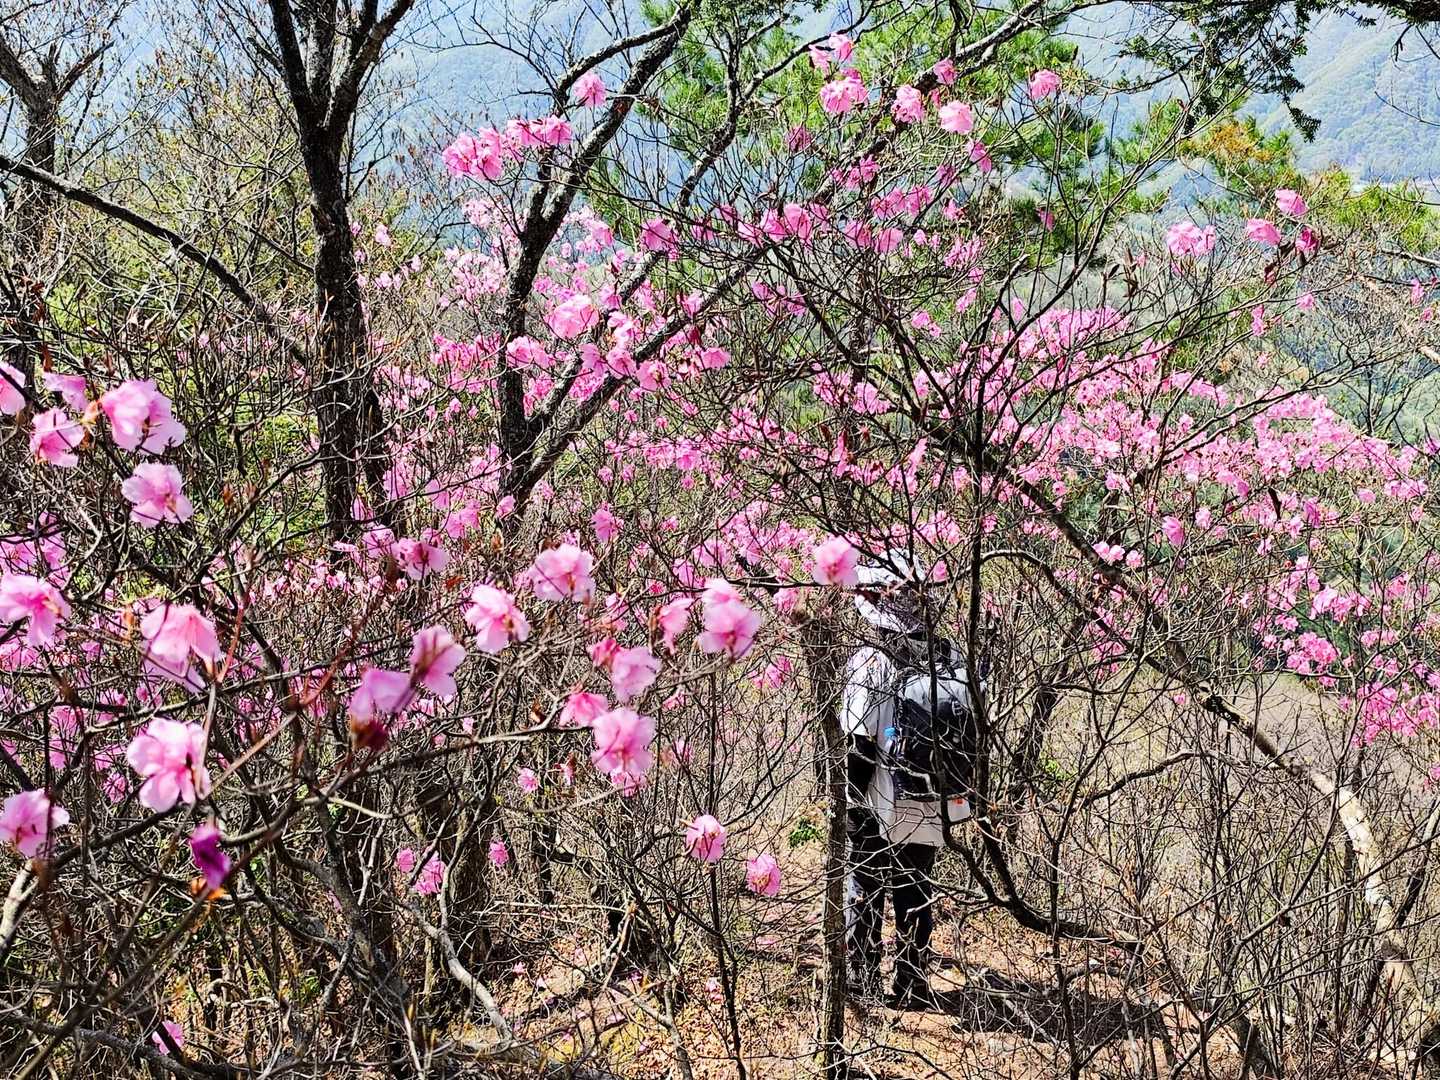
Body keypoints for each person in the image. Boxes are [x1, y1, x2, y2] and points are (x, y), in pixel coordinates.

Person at [842, 550, 975, 1008]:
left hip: (880, 794)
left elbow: (860, 743)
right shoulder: (951, 656)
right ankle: (912, 983)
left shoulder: (872, 661)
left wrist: (849, 801)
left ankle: (862, 980)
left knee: (865, 885)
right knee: (916, 888)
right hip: (935, 795)